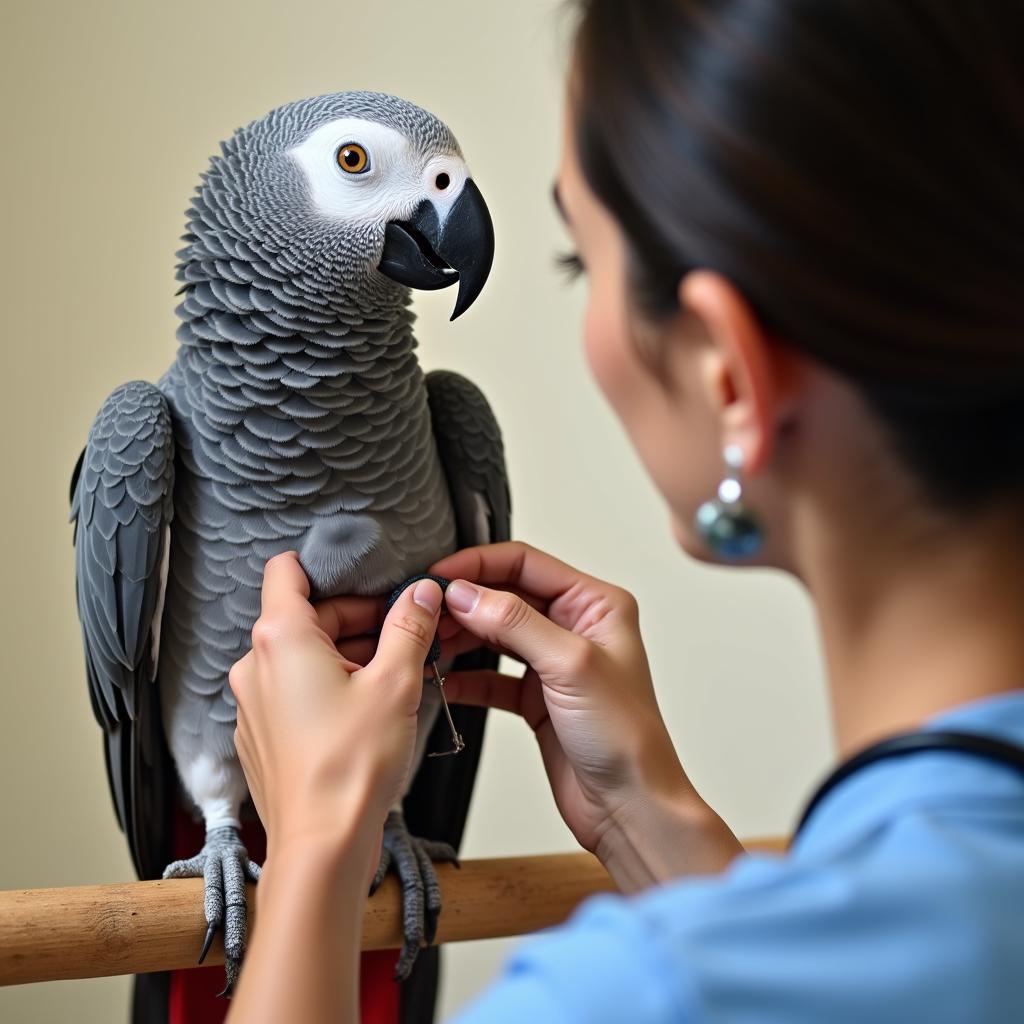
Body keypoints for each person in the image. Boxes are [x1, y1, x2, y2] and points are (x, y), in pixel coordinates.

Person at [225, 2, 1024, 1021]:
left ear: (725, 375)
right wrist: (654, 821)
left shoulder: (627, 994)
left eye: (581, 262)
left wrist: (316, 841)